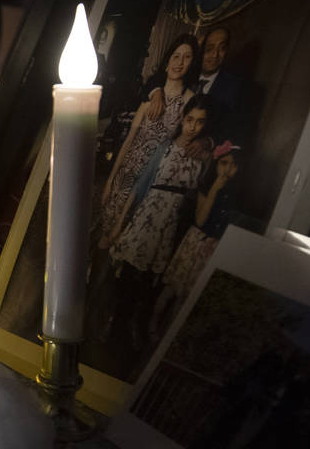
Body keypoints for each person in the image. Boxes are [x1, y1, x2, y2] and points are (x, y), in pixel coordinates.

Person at [104, 94, 213, 349]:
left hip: (170, 224)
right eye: (189, 119)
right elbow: (140, 186)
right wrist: (120, 224)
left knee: (147, 283)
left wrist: (208, 148)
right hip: (147, 216)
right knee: (127, 277)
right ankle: (113, 323)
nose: (192, 127)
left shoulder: (202, 156)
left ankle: (131, 325)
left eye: (199, 122)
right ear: (183, 118)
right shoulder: (165, 147)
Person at [97, 34, 200, 249]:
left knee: (127, 239)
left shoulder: (190, 100)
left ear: (193, 62)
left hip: (153, 178)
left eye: (187, 57)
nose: (180, 62)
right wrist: (110, 179)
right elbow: (128, 142)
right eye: (176, 56)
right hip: (127, 171)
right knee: (104, 233)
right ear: (167, 60)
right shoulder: (151, 95)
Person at [150, 140, 242, 339]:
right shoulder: (206, 188)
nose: (227, 169)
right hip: (195, 243)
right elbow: (200, 219)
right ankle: (152, 324)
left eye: (233, 165)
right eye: (223, 163)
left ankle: (167, 338)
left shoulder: (235, 195)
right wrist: (214, 190)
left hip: (213, 248)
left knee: (186, 299)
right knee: (171, 290)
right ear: (216, 164)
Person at [145, 26, 249, 143]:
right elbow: (157, 77)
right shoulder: (186, 70)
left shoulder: (234, 86)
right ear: (200, 49)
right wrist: (156, 92)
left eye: (222, 48)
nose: (215, 55)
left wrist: (209, 141)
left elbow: (235, 127)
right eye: (209, 48)